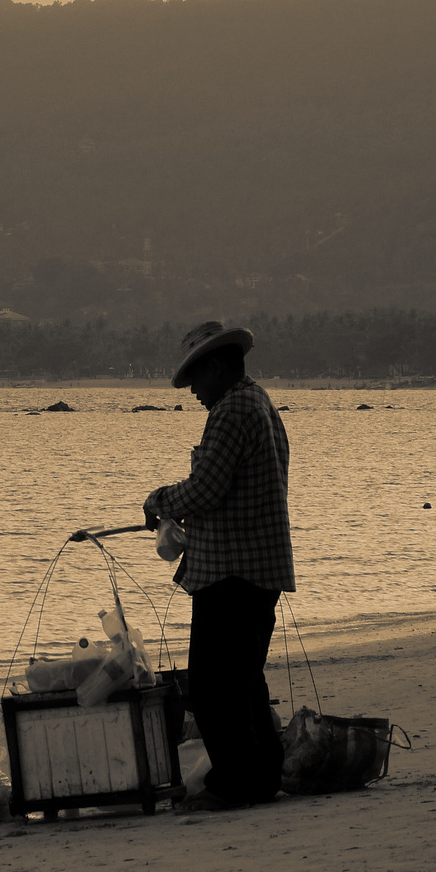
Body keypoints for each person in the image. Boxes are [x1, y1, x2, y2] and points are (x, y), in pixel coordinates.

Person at [143, 321, 295, 811]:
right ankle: (262, 777)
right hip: (258, 568)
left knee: (212, 690)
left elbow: (205, 489)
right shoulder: (260, 403)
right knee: (244, 681)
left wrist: (159, 500)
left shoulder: (231, 412)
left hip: (233, 570)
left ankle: (233, 785)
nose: (192, 392)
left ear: (215, 366)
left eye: (195, 379)